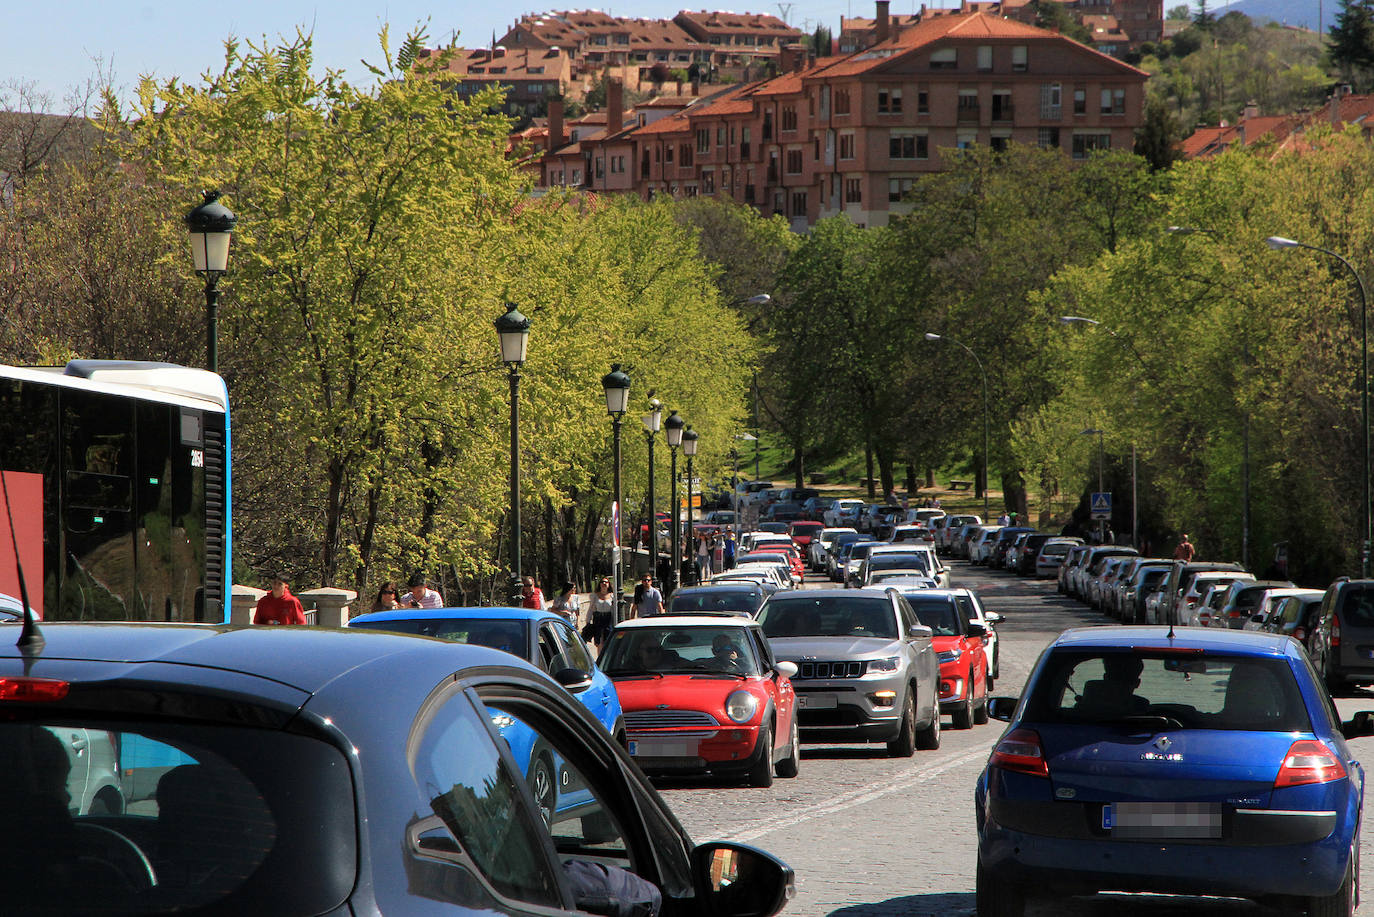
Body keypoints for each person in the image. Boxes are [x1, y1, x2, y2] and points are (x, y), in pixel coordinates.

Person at [586, 577, 616, 645]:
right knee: (598, 641)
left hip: (608, 619)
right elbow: (591, 609)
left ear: (609, 584)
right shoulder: (594, 596)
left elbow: (614, 610)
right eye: (602, 582)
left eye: (606, 582)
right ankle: (600, 655)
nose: (604, 583)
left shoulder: (612, 596)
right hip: (598, 618)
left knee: (608, 640)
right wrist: (588, 621)